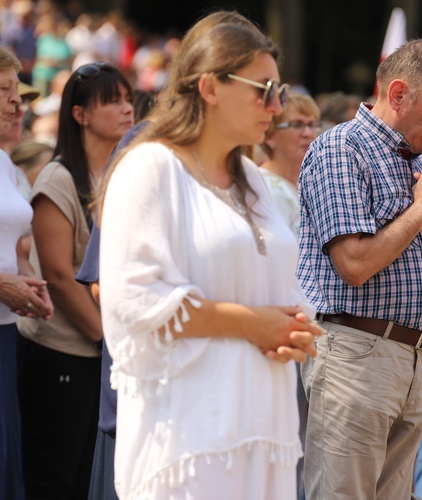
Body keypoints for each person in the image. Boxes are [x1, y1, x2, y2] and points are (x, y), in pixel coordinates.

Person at [98, 23, 322, 499]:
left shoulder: (252, 180)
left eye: (278, 91)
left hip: (264, 425)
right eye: (264, 90)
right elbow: (131, 300)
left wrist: (292, 329)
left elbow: (287, 280)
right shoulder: (150, 168)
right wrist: (251, 324)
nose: (277, 106)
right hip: (189, 435)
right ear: (209, 87)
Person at [297, 38, 422, 499]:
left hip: (414, 357)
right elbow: (353, 264)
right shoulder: (341, 148)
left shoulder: (419, 162)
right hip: (356, 353)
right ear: (397, 95)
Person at [15, 61, 133, 499]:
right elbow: (62, 276)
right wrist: (108, 339)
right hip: (63, 351)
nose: (126, 109)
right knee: (56, 477)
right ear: (80, 114)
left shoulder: (124, 174)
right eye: (112, 101)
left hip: (102, 354)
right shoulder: (58, 178)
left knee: (91, 477)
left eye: (127, 98)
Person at [0, 45, 53, 500]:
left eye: (17, 90)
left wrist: (25, 279)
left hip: (5, 332)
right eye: (3, 89)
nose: (17, 102)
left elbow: (13, 242)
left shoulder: (3, 163)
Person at [260, 92, 321, 235]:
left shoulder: (311, 185)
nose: (308, 133)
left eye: (313, 125)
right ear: (269, 136)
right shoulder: (264, 187)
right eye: (297, 125)